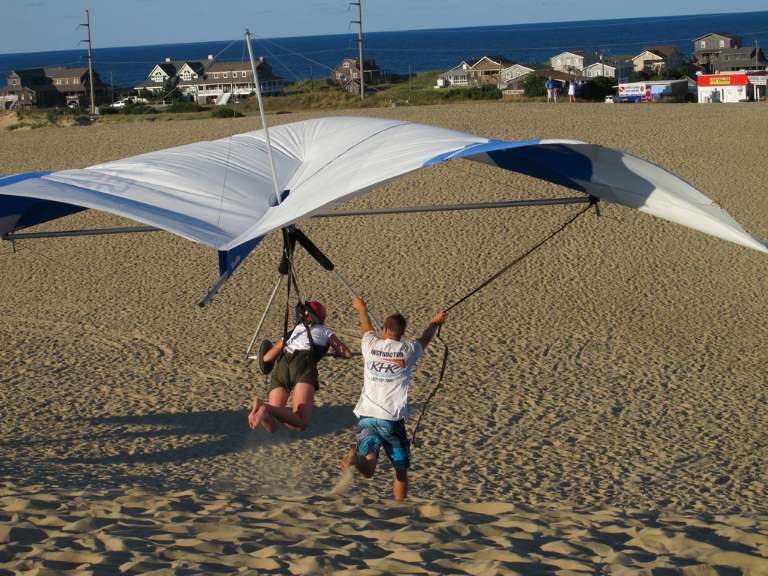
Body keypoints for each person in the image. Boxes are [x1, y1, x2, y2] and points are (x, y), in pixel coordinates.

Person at [340, 296, 446, 500]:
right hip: (390, 420)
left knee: (369, 467)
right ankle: (400, 507)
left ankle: (355, 459)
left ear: (385, 331)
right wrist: (434, 322)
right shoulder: (407, 350)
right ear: (402, 333)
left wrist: (361, 308)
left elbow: (366, 327)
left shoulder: (370, 345)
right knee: (400, 470)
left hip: (367, 416)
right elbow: (424, 339)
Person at [248, 300, 352, 432]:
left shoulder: (293, 331)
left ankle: (264, 409)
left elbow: (267, 358)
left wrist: (264, 354)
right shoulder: (324, 331)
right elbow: (347, 353)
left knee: (272, 426)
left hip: (282, 367)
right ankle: (266, 407)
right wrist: (338, 353)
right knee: (301, 422)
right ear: (321, 317)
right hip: (303, 366)